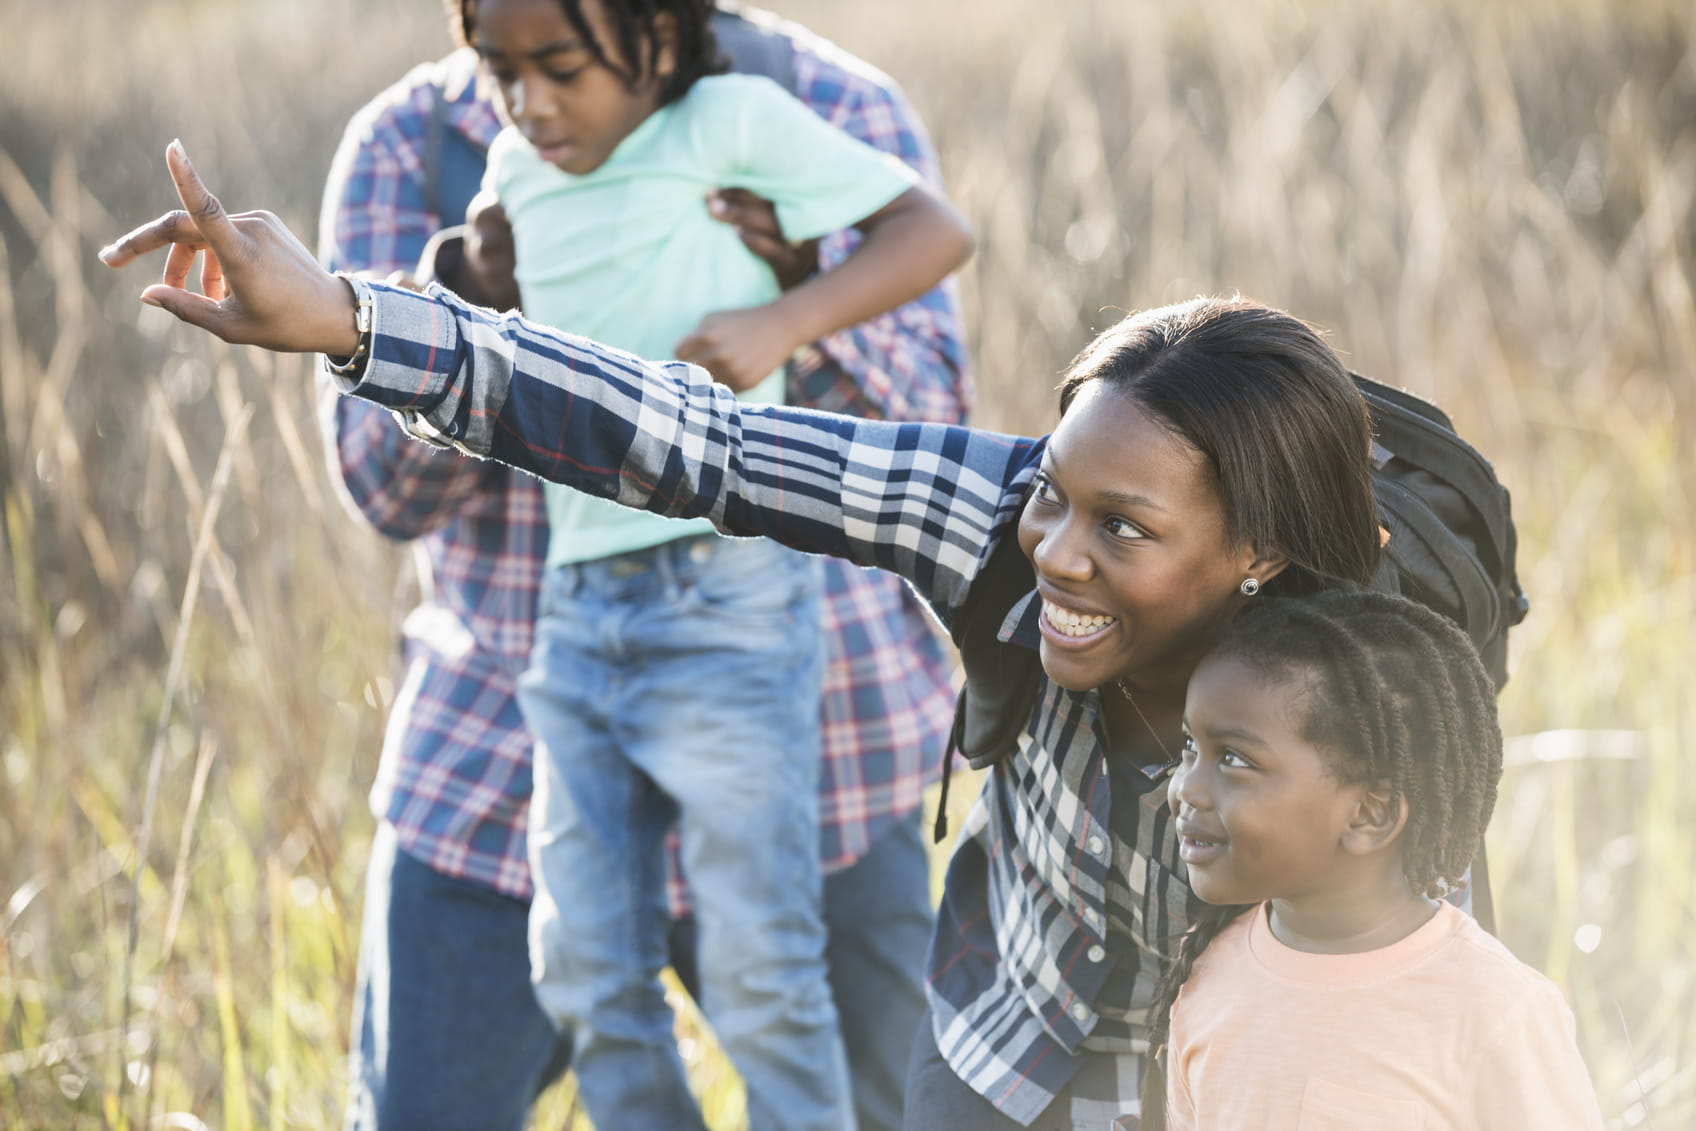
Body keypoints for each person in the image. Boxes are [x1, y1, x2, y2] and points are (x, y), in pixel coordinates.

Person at [108, 150, 1416, 1129]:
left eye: (1121, 527)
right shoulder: (991, 515)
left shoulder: (1383, 686)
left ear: (1259, 552)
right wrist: (355, 321)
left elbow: (1417, 988)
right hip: (1009, 1055)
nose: (1055, 550)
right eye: (1055, 492)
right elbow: (705, 442)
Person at [314, 5, 971, 1130]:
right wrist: (474, 298)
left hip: (818, 737)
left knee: (884, 1102)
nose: (528, 96)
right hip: (512, 741)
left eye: (561, 65)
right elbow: (380, 486)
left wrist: (797, 296)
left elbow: (930, 423)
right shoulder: (420, 148)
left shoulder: (810, 108)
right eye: (501, 65)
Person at [1147, 589, 1602, 1129]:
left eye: (1234, 759)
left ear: (1370, 814)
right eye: (1190, 748)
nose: (1185, 788)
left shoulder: (1495, 1011)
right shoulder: (1205, 977)